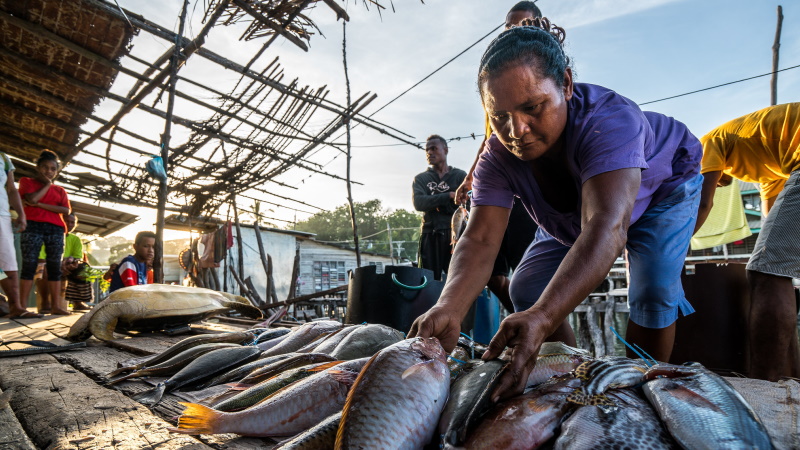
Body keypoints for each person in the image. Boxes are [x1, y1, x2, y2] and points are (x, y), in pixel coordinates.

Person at [410, 18, 702, 401]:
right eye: (499, 117)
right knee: (528, 288)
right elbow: (480, 238)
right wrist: (449, 306)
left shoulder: (609, 121)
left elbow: (605, 227)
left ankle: (639, 393)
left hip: (661, 191)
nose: (517, 131)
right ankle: (573, 374)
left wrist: (545, 317)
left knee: (652, 290)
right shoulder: (497, 157)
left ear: (565, 83)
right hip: (574, 210)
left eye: (532, 107)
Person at [694, 103, 800, 381]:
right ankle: (792, 378)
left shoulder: (704, 145)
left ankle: (765, 382)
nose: (715, 181)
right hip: (792, 166)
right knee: (776, 268)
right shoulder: (764, 167)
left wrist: (673, 248)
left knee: (766, 272)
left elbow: (703, 203)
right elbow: (772, 217)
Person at [454, 0, 543, 313]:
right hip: (502, 180)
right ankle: (522, 321)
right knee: (491, 270)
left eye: (522, 26)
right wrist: (469, 178)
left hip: (533, 186)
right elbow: (492, 137)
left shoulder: (544, 68)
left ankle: (546, 339)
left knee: (532, 278)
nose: (513, 31)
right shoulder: (495, 79)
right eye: (508, 27)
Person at [18, 150, 71, 316]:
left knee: (55, 267)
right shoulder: (27, 182)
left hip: (55, 228)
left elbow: (66, 209)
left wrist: (40, 205)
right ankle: (22, 308)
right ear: (38, 167)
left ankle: (56, 306)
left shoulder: (60, 190)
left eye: (53, 169)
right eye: (45, 167)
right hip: (32, 225)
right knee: (29, 265)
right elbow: (30, 199)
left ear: (57, 171)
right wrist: (48, 185)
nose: (49, 171)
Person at [412, 135, 467, 281]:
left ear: (446, 150)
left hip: (456, 234)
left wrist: (434, 201)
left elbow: (467, 202)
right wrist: (448, 196)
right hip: (430, 233)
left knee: (459, 278)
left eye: (434, 148)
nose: (429, 152)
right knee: (428, 279)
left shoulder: (460, 176)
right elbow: (419, 203)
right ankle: (430, 304)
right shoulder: (421, 179)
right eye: (427, 150)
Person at [0, 151, 34, 318]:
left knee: (8, 263)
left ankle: (16, 307)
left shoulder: (4, 158)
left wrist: (21, 213)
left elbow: (12, 189)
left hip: (2, 214)